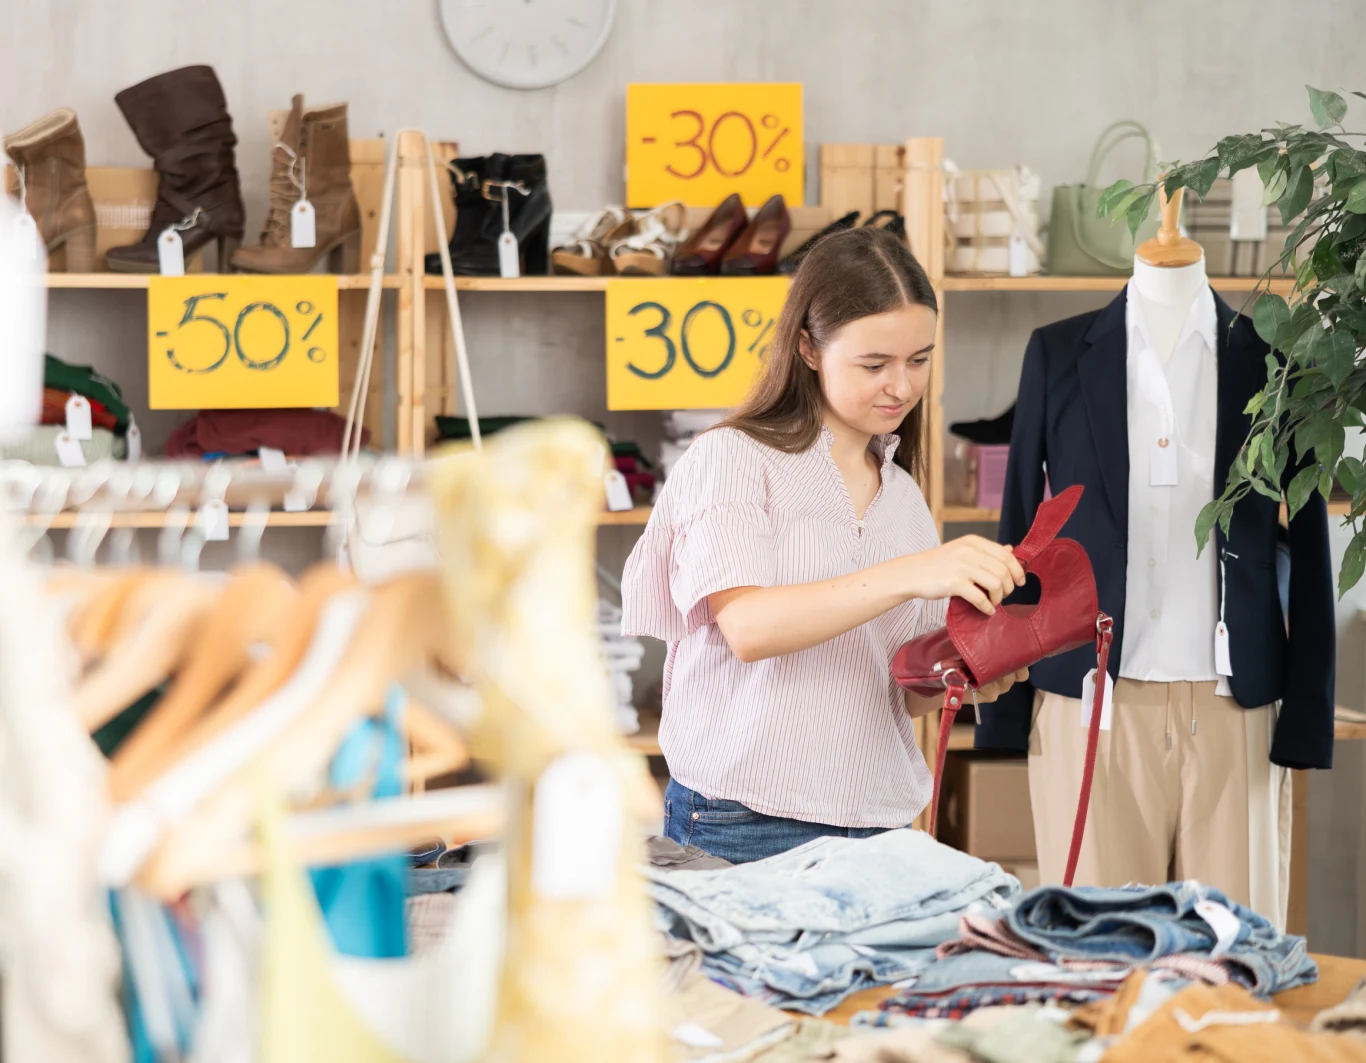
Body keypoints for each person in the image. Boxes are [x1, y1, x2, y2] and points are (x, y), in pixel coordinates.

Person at [622, 227, 1029, 864]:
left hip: (881, 829)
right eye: (874, 365)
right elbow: (749, 628)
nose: (901, 385)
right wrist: (911, 573)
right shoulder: (732, 459)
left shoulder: (902, 495)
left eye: (919, 360)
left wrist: (976, 670)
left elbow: (907, 691)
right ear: (809, 350)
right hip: (742, 823)